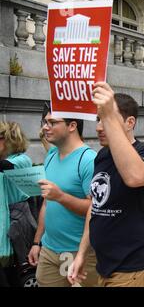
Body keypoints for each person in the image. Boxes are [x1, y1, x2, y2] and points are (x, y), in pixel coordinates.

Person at [68, 83, 144, 287]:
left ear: (130, 122)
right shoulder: (101, 156)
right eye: (99, 118)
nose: (100, 126)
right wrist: (82, 253)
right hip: (104, 265)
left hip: (131, 269)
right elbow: (95, 206)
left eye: (109, 118)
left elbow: (136, 177)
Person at [27, 106, 98, 287]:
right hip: (49, 250)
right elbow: (46, 203)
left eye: (52, 122)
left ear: (72, 126)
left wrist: (61, 197)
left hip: (81, 252)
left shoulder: (88, 160)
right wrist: (37, 242)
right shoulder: (51, 156)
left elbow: (95, 209)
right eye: (45, 122)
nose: (45, 127)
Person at [0, 122, 33, 287]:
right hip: (5, 220)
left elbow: (5, 167)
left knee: (17, 269)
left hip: (16, 221)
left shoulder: (22, 160)